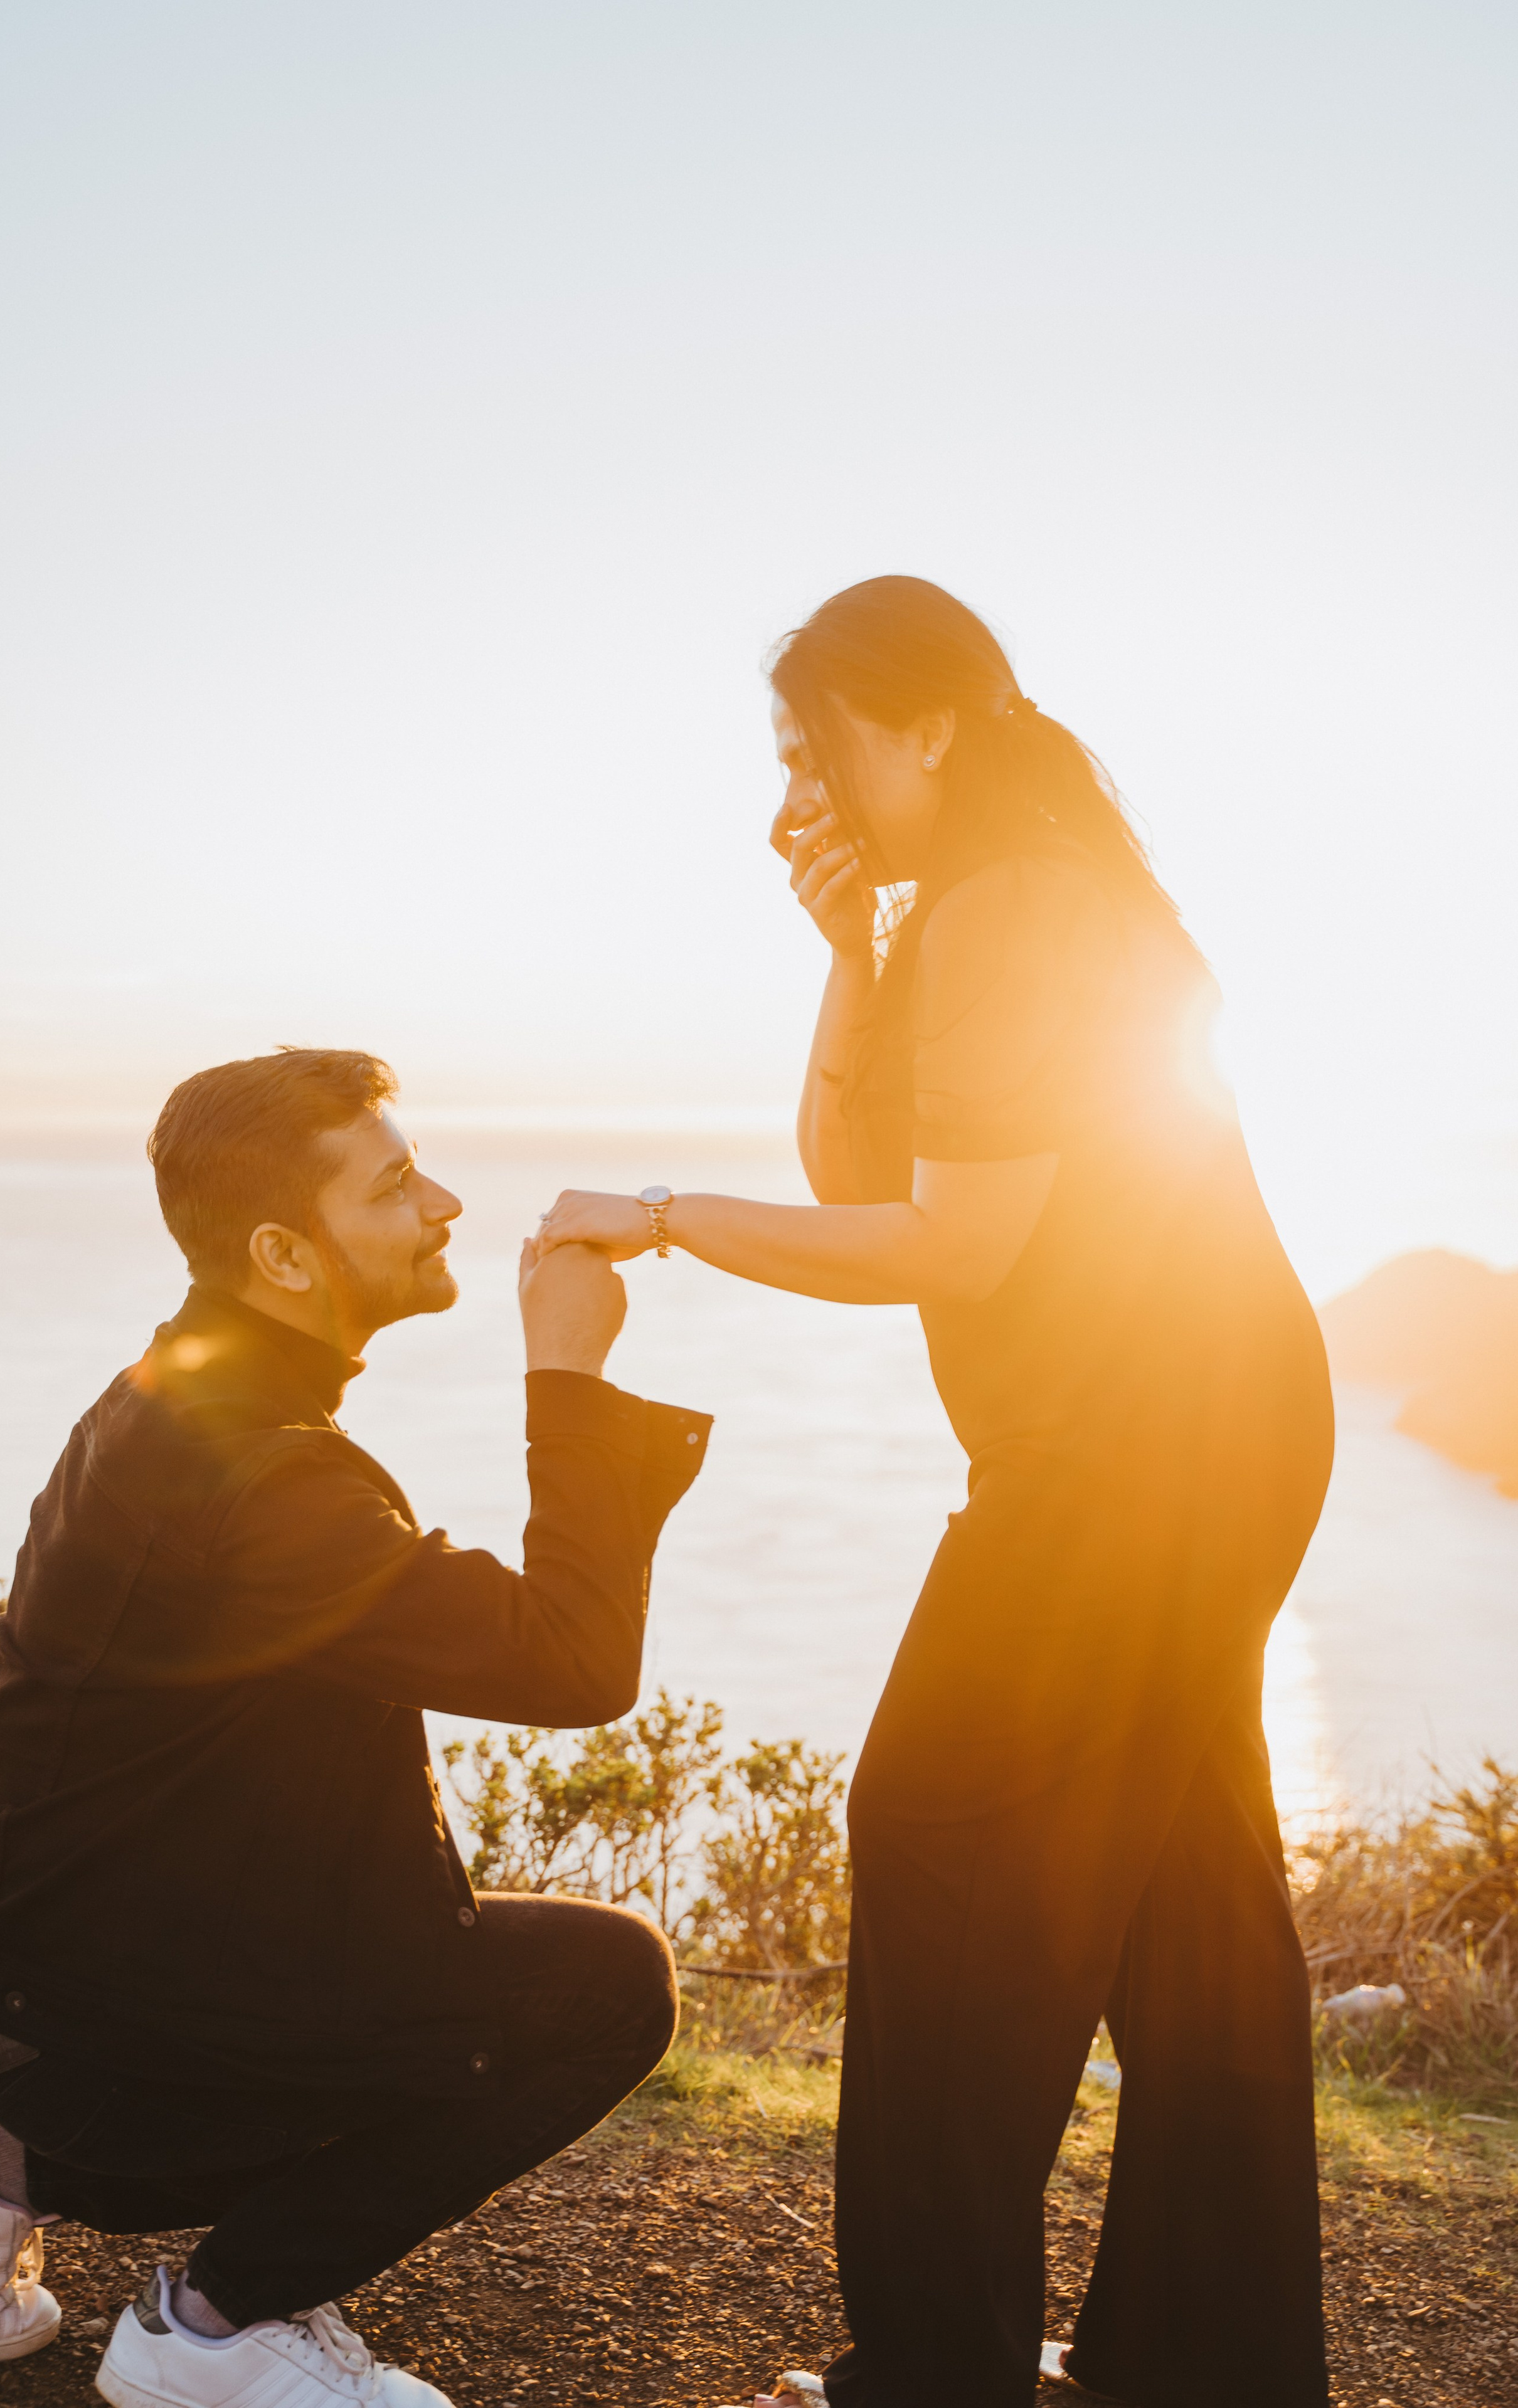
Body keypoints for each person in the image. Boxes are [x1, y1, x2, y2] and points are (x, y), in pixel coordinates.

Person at [535, 578, 1335, 2407]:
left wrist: (653, 1218)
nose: (793, 791)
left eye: (812, 747)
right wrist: (846, 945)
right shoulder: (982, 905)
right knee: (1189, 1895)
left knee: (931, 1834)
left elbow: (951, 1246)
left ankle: (932, 2372)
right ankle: (1208, 2367)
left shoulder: (1016, 904)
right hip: (1197, 1437)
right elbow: (849, 1156)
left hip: (1136, 1461)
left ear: (923, 729)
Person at [0, 1046, 709, 2408]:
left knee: (429, 1982)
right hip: (103, 2011)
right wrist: (565, 1379)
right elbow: (570, 1663)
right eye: (398, 1185)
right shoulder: (264, 1474)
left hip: (63, 1979)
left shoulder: (183, 1389)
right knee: (600, 1991)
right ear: (284, 1255)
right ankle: (211, 2328)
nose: (446, 1203)